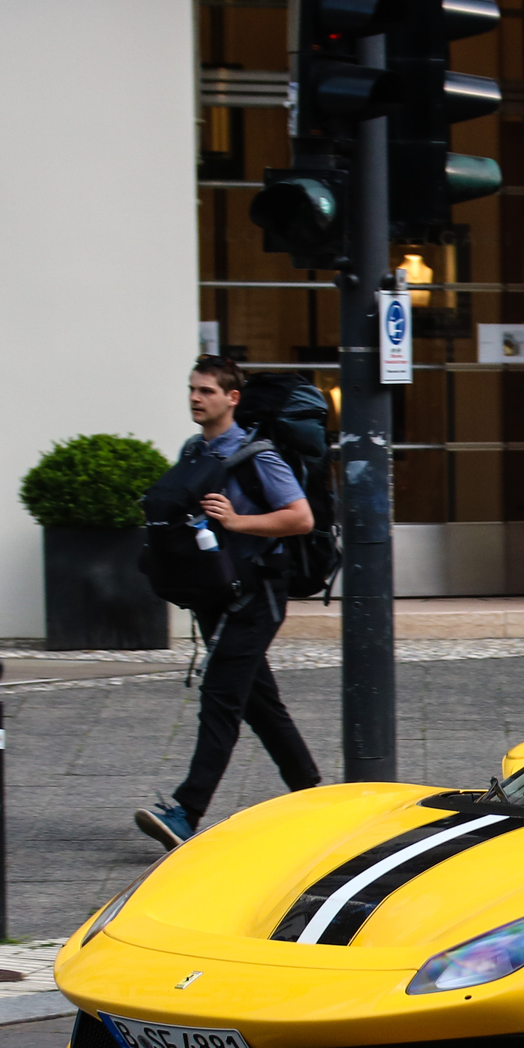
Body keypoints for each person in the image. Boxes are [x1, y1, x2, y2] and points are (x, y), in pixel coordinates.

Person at [135, 356, 323, 850]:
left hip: (258, 594)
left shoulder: (258, 455)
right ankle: (313, 793)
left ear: (231, 399)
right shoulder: (194, 451)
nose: (197, 398)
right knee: (261, 706)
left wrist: (239, 522)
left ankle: (186, 811)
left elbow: (300, 518)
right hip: (216, 593)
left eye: (207, 392)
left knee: (220, 697)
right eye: (193, 390)